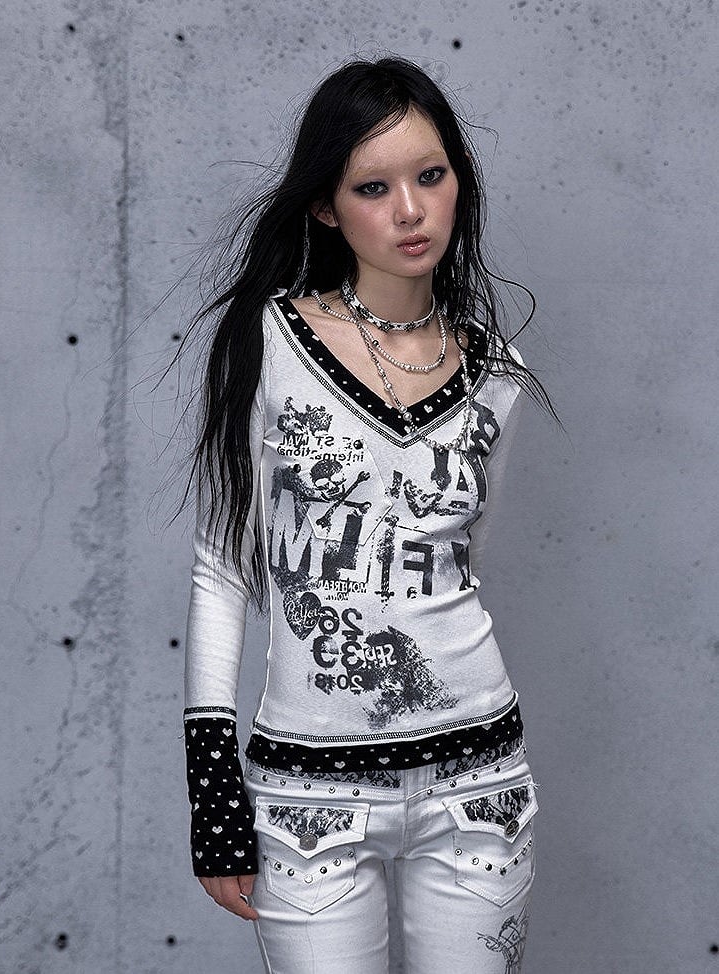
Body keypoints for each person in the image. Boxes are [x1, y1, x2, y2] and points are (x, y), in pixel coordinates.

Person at [181, 56, 552, 974]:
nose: (411, 211)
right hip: (309, 796)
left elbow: (462, 560)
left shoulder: (498, 370)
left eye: (431, 175)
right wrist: (213, 782)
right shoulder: (266, 340)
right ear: (324, 206)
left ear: (460, 180)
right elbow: (224, 566)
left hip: (480, 785)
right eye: (372, 187)